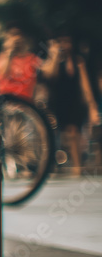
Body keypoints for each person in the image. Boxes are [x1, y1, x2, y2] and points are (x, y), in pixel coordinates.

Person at [42, 31, 101, 175]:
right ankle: (67, 165)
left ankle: (77, 167)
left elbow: (85, 85)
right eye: (61, 41)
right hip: (59, 102)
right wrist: (55, 55)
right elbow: (51, 76)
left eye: (67, 41)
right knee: (63, 134)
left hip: (74, 103)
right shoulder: (53, 60)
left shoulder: (78, 60)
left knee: (74, 132)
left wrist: (92, 106)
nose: (65, 45)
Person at [0, 23, 40, 103]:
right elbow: (3, 75)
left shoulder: (33, 58)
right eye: (12, 35)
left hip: (25, 104)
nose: (16, 38)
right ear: (7, 38)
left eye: (18, 34)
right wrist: (10, 53)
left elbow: (49, 74)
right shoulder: (0, 58)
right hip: (5, 102)